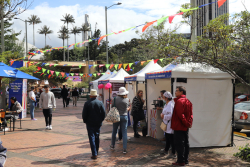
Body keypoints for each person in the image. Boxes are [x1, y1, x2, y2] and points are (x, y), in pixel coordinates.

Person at [171, 86, 193, 166]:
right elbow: (191, 114)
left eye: (177, 91)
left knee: (179, 144)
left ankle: (181, 161)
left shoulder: (180, 101)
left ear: (181, 92)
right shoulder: (188, 101)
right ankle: (185, 160)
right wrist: (189, 123)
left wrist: (186, 123)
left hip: (179, 126)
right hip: (184, 126)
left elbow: (181, 115)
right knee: (185, 143)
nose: (175, 92)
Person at [82, 89, 105, 159]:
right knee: (97, 137)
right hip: (98, 123)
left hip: (90, 123)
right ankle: (96, 152)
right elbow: (103, 113)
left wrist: (85, 121)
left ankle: (94, 153)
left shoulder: (87, 103)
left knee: (92, 137)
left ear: (90, 95)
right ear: (96, 96)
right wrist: (101, 120)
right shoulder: (100, 103)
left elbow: (84, 114)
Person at [110, 87, 130, 154]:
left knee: (114, 131)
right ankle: (124, 148)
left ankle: (112, 145)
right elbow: (127, 108)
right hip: (124, 116)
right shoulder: (127, 99)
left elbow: (112, 107)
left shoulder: (114, 99)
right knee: (124, 132)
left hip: (116, 116)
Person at [160, 91, 176, 158]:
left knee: (171, 139)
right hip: (166, 123)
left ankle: (173, 153)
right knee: (167, 137)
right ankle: (166, 150)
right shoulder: (167, 104)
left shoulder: (170, 104)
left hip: (169, 124)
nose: (162, 98)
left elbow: (171, 115)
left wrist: (163, 116)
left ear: (166, 97)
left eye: (163, 97)